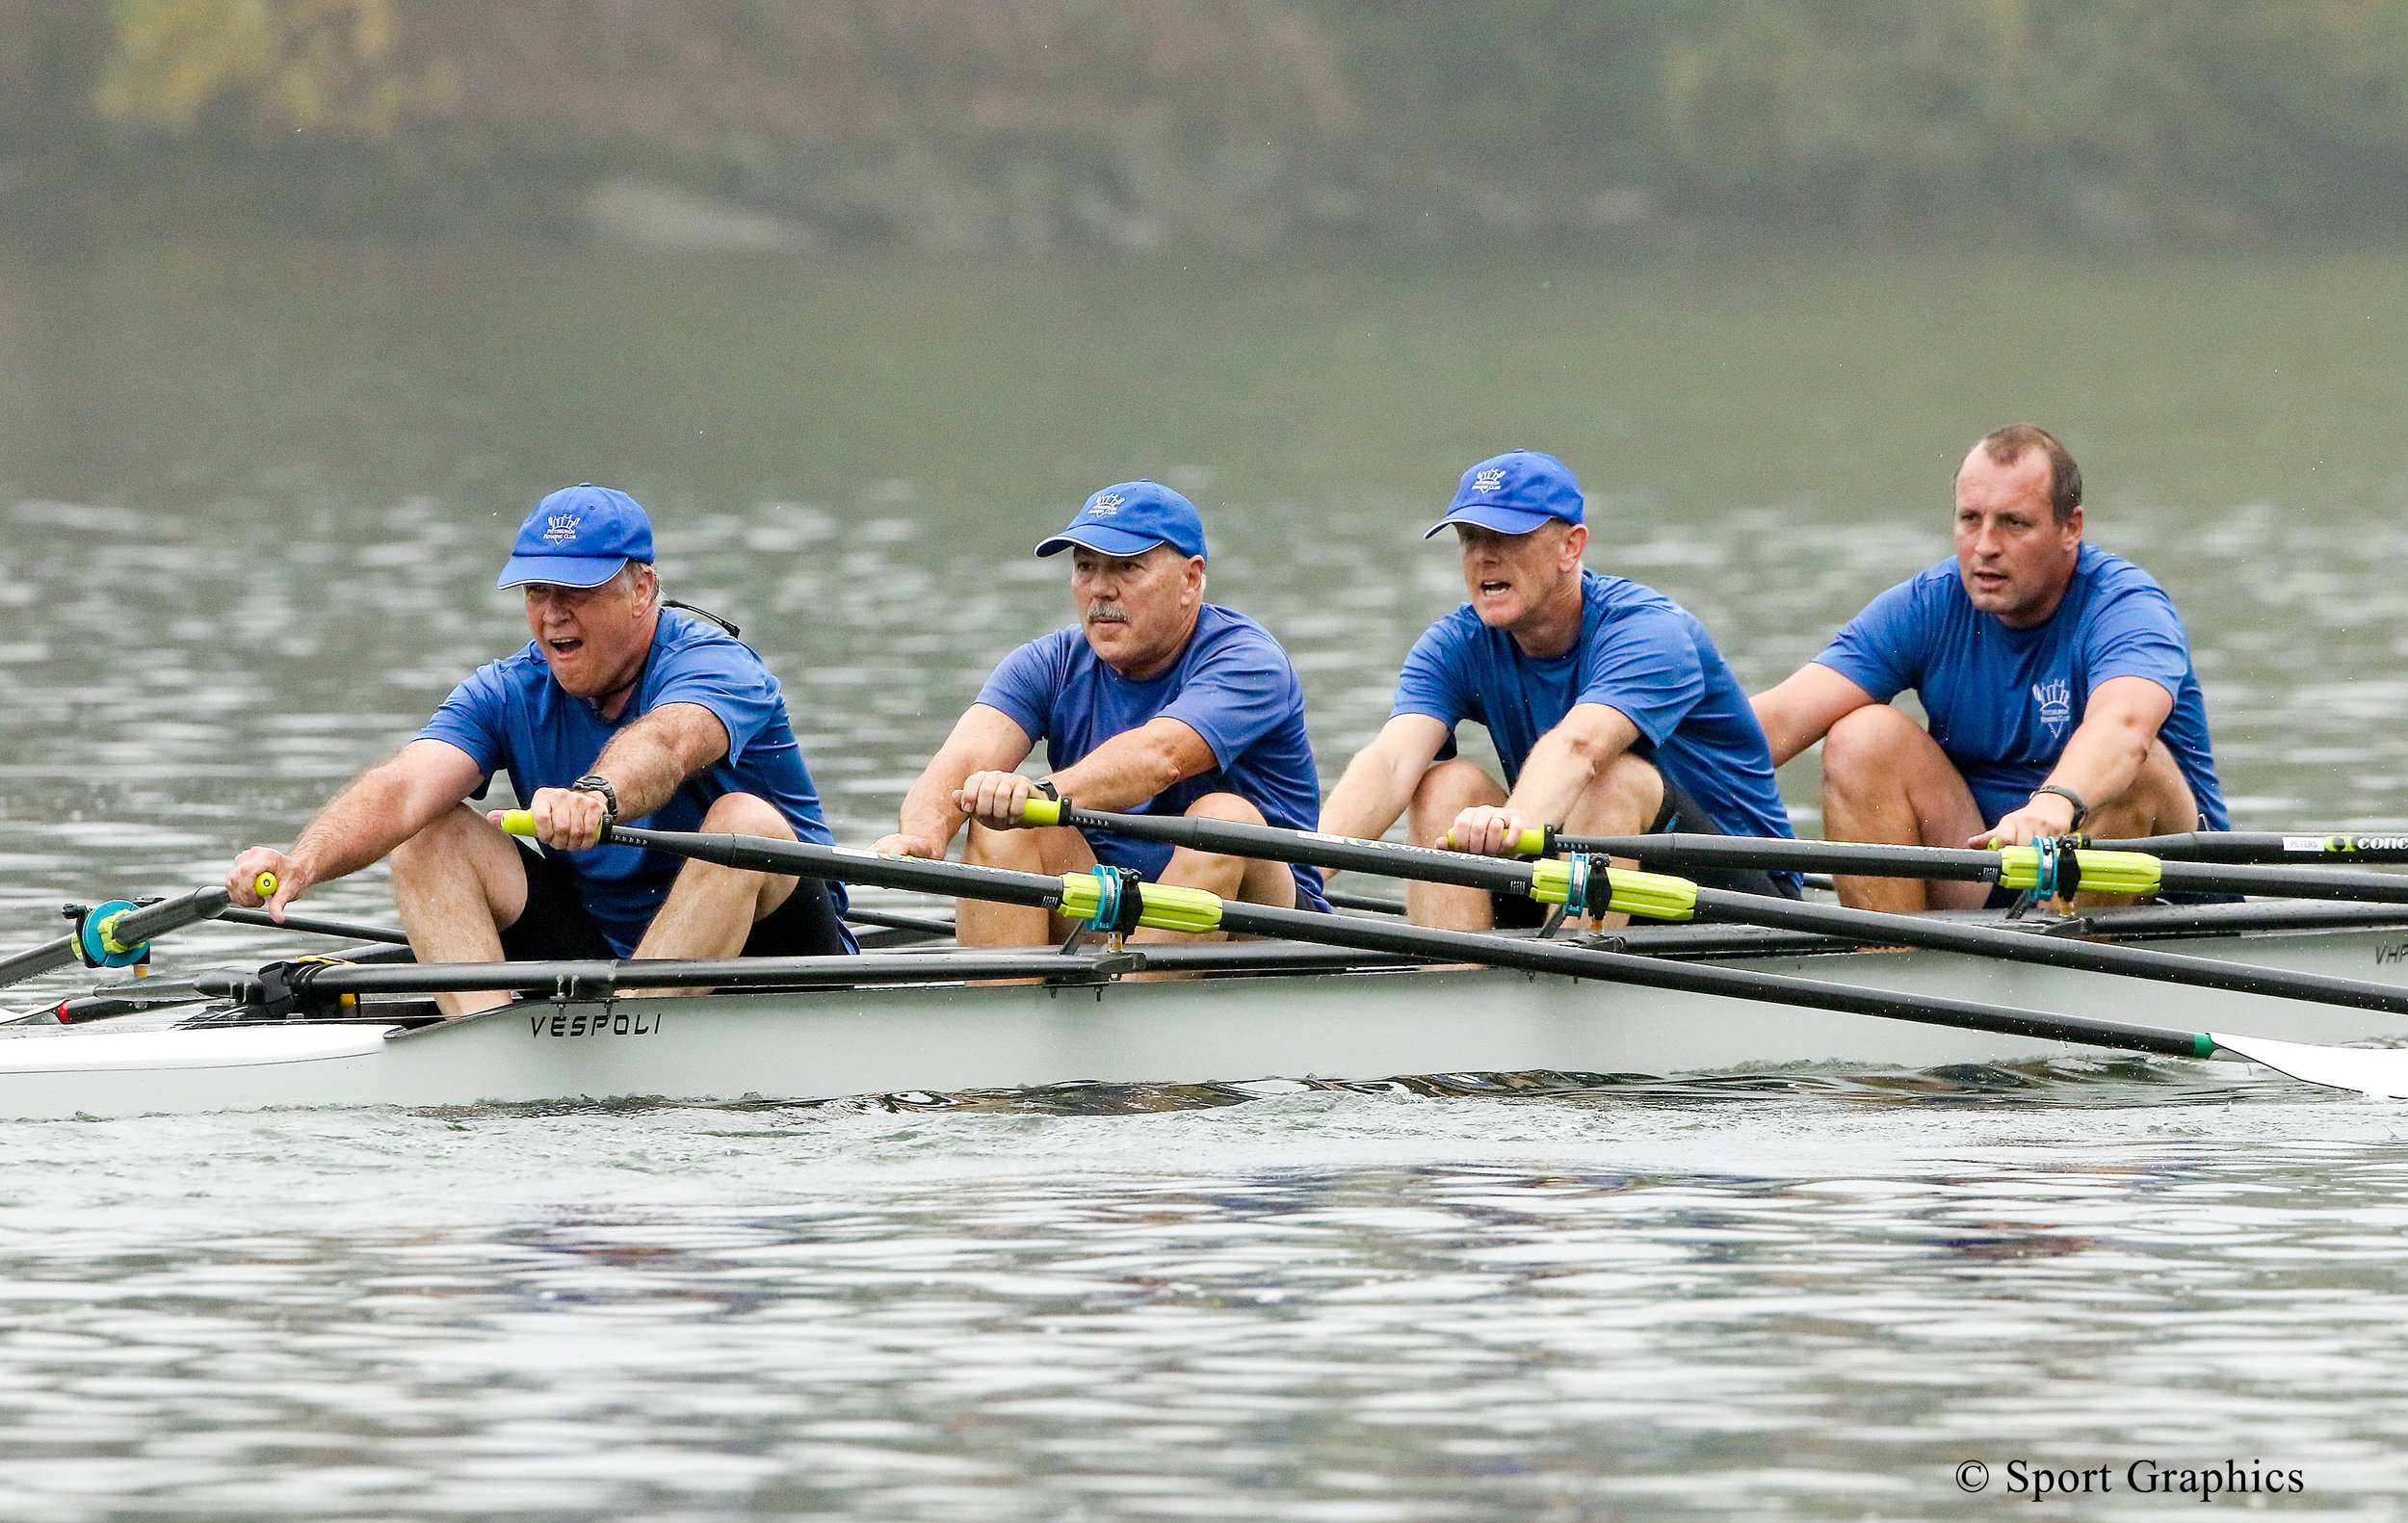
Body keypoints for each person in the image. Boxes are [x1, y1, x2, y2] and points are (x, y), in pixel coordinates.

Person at [226, 483, 853, 1014]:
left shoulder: (714, 664)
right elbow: (403, 788)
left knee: (742, 822)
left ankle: (635, 1056)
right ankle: (488, 1063)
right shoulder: (508, 690)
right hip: (603, 956)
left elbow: (669, 743)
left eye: (574, 590)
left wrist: (598, 796)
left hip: (780, 955)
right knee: (426, 831)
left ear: (642, 590)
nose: (552, 616)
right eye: (536, 592)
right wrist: (304, 860)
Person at [1750, 424, 2229, 911]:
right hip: (1993, 873)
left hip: (2165, 893)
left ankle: (2067, 972)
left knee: (2136, 767)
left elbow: (2123, 727)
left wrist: (2054, 803)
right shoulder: (1927, 606)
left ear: (2071, 528)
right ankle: (1892, 965)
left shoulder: (2125, 607)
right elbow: (1776, 723)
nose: (1985, 546)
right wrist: (1672, 778)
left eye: (2013, 523)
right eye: (1970, 519)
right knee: (1861, 737)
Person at [1320, 449, 1798, 929]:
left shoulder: (1650, 632)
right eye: (1470, 538)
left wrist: (1511, 822)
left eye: (1508, 537)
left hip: (1737, 895)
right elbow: (1390, 763)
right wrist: (1300, 874)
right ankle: (1455, 985)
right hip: (1581, 869)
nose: (1484, 555)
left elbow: (1581, 748)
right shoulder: (1454, 644)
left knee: (1610, 778)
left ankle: (1569, 987)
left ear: (1571, 547)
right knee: (1444, 786)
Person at [872, 480, 1326, 943]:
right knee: (1000, 824)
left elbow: (1159, 757)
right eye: (1085, 567)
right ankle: (1006, 1005)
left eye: (1127, 568)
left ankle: (1129, 1005)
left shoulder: (1249, 661)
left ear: (1190, 580)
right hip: (1109, 904)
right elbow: (966, 758)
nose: (1100, 589)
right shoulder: (1049, 662)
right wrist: (926, 835)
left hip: (1261, 924)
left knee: (1224, 819)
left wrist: (1037, 796)